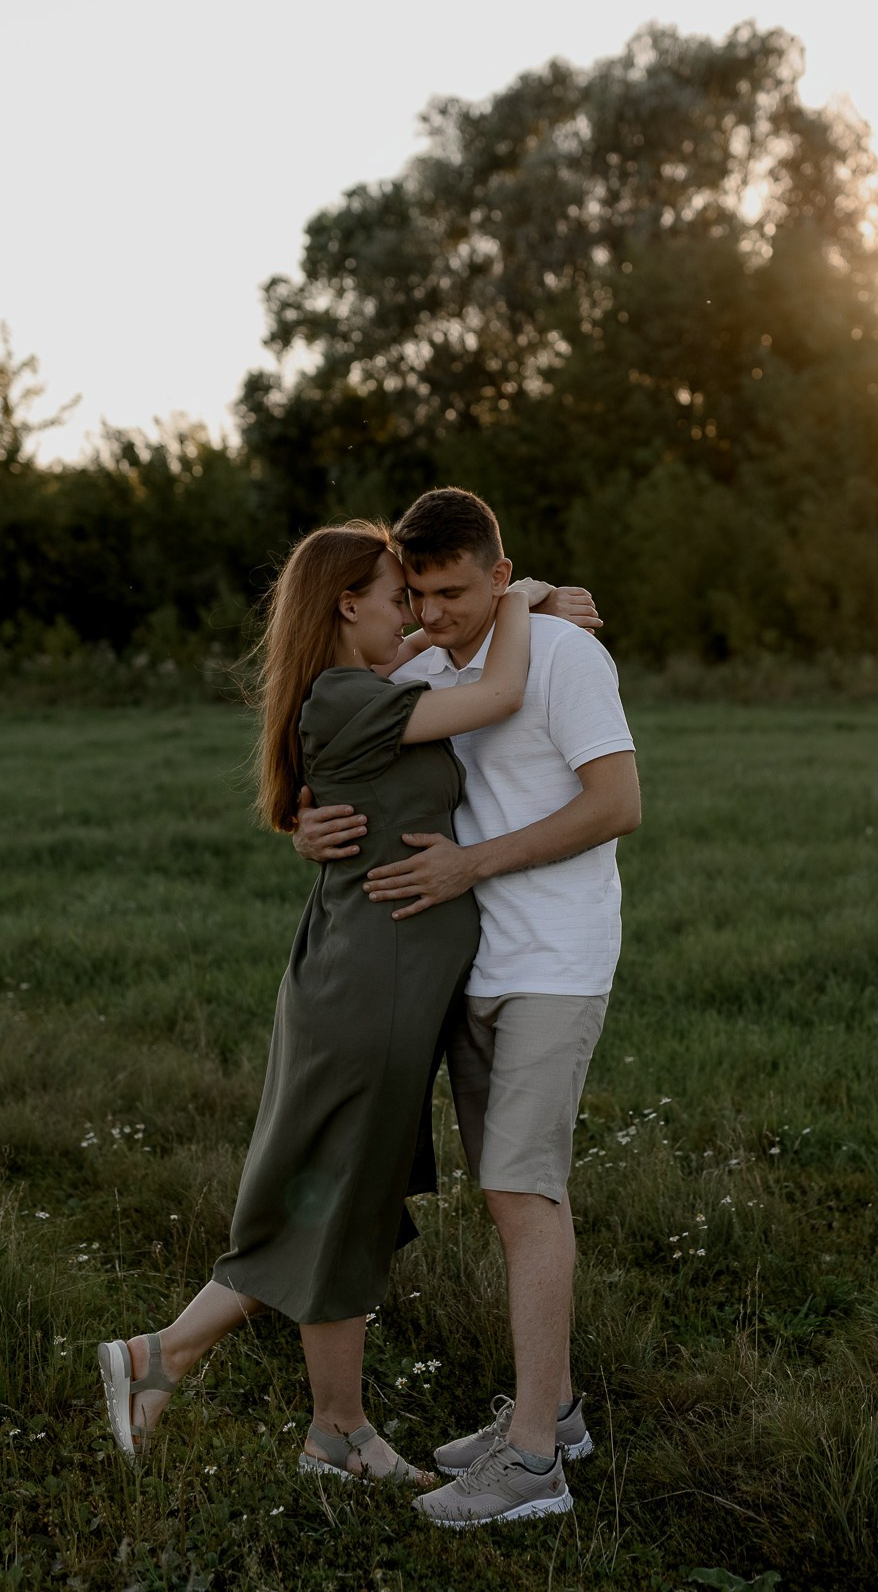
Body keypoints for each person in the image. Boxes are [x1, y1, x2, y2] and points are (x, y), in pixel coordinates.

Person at [98, 519, 554, 1484]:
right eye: (399, 598)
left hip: (379, 981)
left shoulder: (363, 688)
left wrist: (529, 597)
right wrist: (521, 598)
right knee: (336, 1199)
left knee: (345, 1200)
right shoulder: (347, 695)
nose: (418, 615)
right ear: (349, 605)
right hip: (369, 989)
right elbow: (501, 689)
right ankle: (173, 1360)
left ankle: (330, 1430)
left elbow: (439, 654)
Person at [294, 486, 640, 1526]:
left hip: (553, 963)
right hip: (478, 969)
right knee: (516, 1191)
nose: (431, 613)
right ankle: (557, 1410)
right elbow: (332, 749)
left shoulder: (565, 657)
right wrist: (305, 829)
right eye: (417, 594)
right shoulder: (442, 662)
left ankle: (533, 1464)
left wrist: (469, 868)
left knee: (519, 1198)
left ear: (499, 575)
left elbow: (618, 803)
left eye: (451, 592)